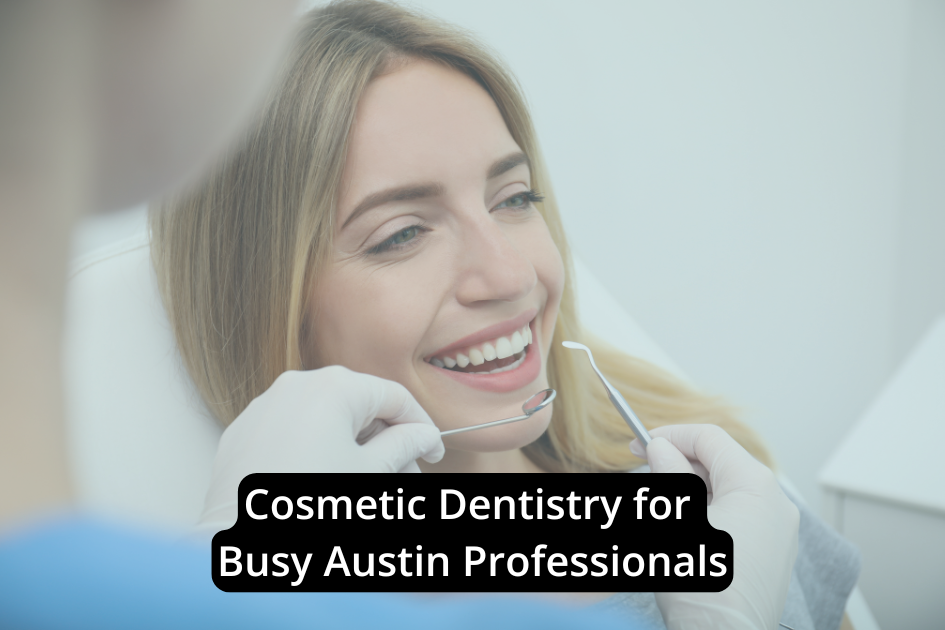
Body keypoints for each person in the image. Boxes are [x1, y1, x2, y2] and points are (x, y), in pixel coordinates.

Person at [150, 1, 858, 629]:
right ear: (268, 300)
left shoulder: (720, 491)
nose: (512, 275)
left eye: (514, 198)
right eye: (402, 233)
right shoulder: (279, 606)